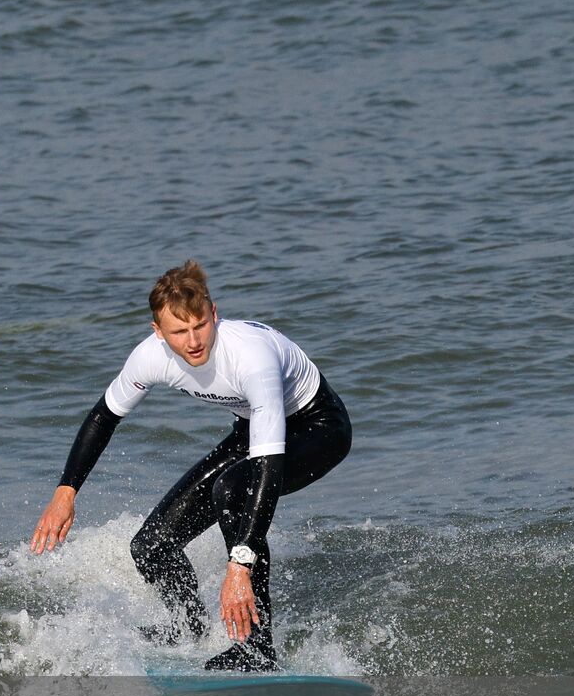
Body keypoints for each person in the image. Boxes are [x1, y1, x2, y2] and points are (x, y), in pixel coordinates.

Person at [28, 261, 352, 671]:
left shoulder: (250, 357)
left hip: (318, 427)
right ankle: (188, 627)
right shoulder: (150, 358)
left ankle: (258, 648)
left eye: (200, 325)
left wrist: (239, 565)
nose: (194, 341)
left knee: (233, 490)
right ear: (158, 332)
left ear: (214, 313)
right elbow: (103, 417)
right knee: (151, 547)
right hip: (251, 428)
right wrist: (66, 491)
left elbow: (267, 463)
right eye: (179, 332)